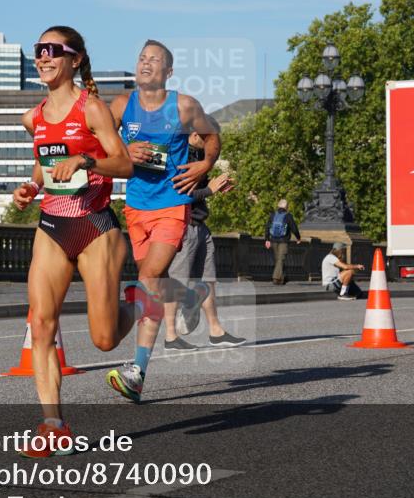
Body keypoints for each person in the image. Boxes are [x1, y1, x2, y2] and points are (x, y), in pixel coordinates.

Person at [13, 26, 136, 456]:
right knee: (41, 324)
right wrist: (28, 189)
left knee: (105, 339)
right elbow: (42, 167)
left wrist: (86, 159)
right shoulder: (34, 117)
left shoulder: (93, 109)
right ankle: (53, 425)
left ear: (75, 59)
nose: (43, 58)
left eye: (53, 51)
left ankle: (136, 303)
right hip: (51, 226)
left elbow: (124, 164)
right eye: (38, 51)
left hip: (94, 227)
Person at [106, 39, 220, 402]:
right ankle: (190, 295)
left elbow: (213, 135)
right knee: (152, 288)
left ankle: (137, 369)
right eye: (142, 58)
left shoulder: (184, 106)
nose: (146, 63)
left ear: (168, 72)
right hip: (136, 207)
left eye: (154, 60)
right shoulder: (122, 104)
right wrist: (123, 150)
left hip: (172, 205)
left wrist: (205, 163)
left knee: (147, 279)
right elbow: (100, 142)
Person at [162, 129, 247, 349]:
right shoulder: (178, 155)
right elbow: (178, 194)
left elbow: (200, 188)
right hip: (183, 225)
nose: (212, 145)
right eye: (207, 139)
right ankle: (170, 335)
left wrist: (217, 187)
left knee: (208, 280)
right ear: (193, 135)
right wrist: (210, 190)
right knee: (176, 282)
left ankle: (216, 331)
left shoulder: (200, 156)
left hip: (200, 225)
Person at [265, 199, 301, 285]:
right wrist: (298, 238)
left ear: (278, 205)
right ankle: (276, 278)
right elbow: (294, 228)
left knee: (278, 260)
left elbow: (267, 227)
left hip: (273, 240)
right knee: (281, 260)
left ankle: (283, 278)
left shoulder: (273, 215)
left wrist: (267, 239)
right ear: (286, 206)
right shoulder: (288, 216)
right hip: (283, 241)